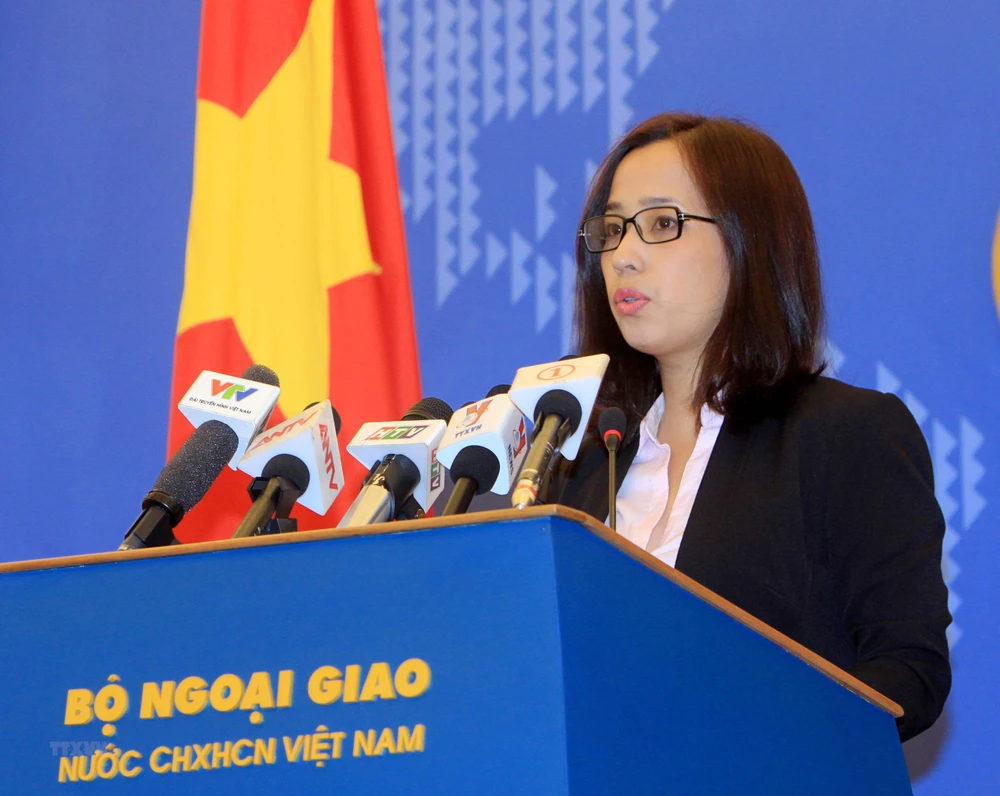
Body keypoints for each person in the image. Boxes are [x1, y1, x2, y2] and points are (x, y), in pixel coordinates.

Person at [543, 112, 951, 742]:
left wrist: (754, 736)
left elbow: (908, 673)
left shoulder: (843, 436)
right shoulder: (582, 462)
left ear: (749, 241)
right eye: (613, 229)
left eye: (662, 224)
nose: (623, 257)